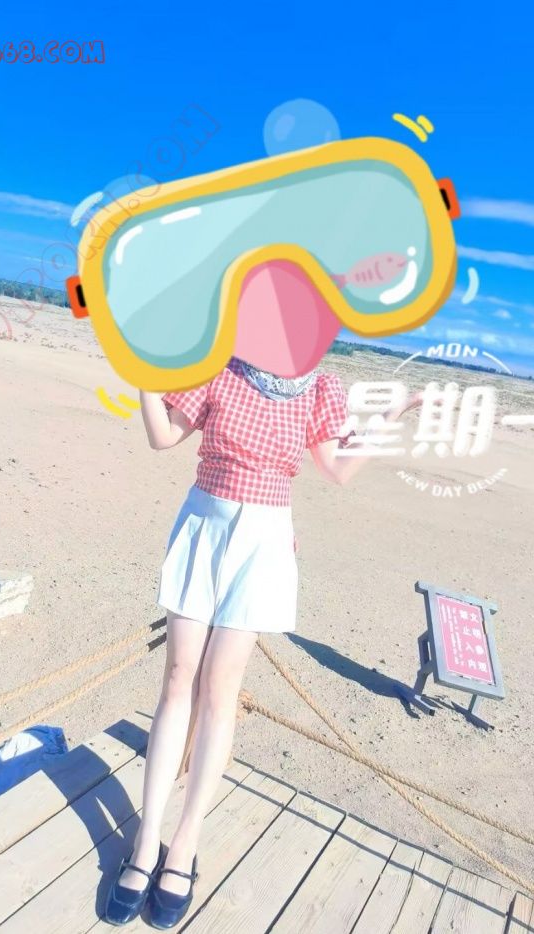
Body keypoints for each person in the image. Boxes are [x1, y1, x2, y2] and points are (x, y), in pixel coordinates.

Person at [104, 356, 420, 929]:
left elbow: (338, 469)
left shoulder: (320, 386)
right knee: (178, 678)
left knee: (221, 690)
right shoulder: (219, 366)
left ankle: (184, 845)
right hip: (204, 523)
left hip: (266, 537)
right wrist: (144, 376)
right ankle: (146, 841)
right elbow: (164, 435)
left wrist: (391, 415)